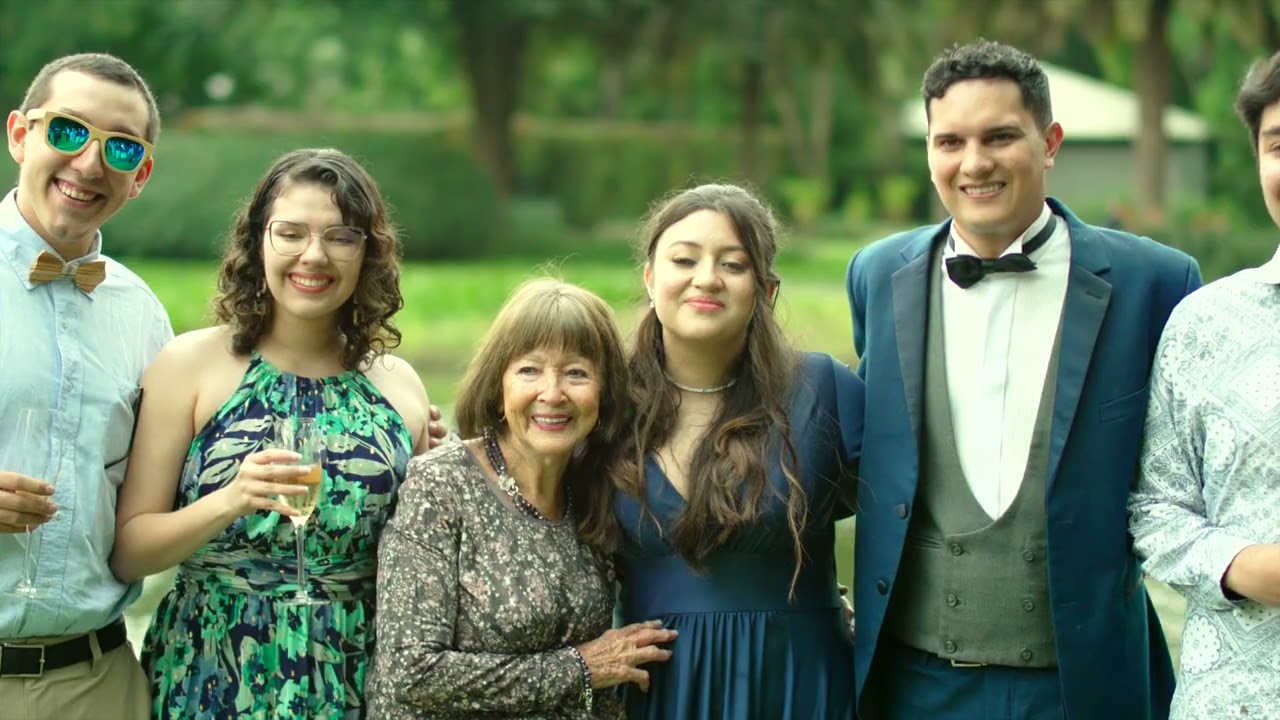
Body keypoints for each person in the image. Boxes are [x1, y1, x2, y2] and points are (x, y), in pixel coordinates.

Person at [846, 39, 1202, 719]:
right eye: (949, 141)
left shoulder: (1156, 283)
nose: (973, 163)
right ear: (928, 151)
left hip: (1084, 687)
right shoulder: (875, 274)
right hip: (914, 687)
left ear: (1050, 143)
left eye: (1000, 137)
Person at [109, 148, 434, 718]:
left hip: (358, 675)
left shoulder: (398, 387)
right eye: (291, 233)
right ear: (259, 242)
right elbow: (129, 553)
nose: (314, 255)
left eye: (340, 236)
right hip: (214, 671)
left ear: (367, 253)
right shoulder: (190, 365)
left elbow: (422, 556)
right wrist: (229, 501)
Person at [366, 277, 675, 719]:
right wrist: (582, 667)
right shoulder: (442, 486)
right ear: (499, 385)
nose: (552, 393)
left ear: (605, 394)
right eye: (529, 370)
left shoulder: (595, 489)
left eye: (576, 373)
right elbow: (410, 673)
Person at [610, 183, 864, 719]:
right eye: (684, 259)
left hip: (799, 683)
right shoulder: (605, 406)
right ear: (651, 279)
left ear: (765, 291)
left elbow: (915, 514)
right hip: (658, 693)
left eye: (733, 264)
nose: (706, 278)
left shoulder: (823, 390)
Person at [0, 53, 168, 718]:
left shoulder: (144, 316)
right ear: (19, 134)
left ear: (140, 175)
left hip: (96, 685)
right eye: (68, 131)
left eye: (120, 147)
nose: (90, 164)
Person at [1128, 51, 1280, 718]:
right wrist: (1247, 567)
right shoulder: (1203, 323)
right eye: (1279, 145)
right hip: (1233, 700)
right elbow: (1155, 510)